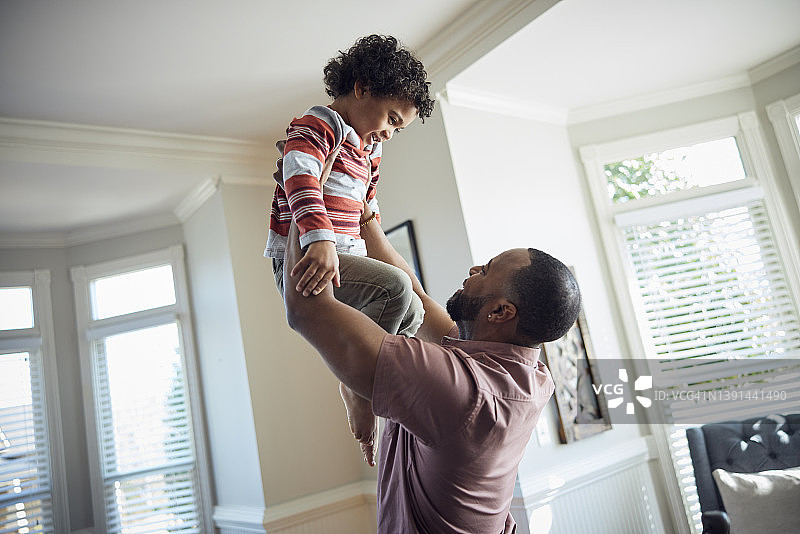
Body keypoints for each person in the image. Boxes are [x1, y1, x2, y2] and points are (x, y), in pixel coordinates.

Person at [282, 203, 582, 533]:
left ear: (499, 312)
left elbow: (306, 311)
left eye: (486, 271)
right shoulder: (525, 374)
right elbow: (418, 297)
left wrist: (302, 203)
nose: (474, 269)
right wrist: (366, 215)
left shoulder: (463, 391)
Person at [264, 34, 436, 446]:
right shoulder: (322, 123)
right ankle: (359, 388)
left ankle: (364, 377)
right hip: (309, 253)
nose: (392, 134)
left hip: (347, 258)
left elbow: (366, 208)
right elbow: (300, 175)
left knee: (411, 313)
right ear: (362, 89)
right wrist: (320, 239)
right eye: (392, 119)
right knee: (395, 288)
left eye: (400, 128)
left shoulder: (371, 153)